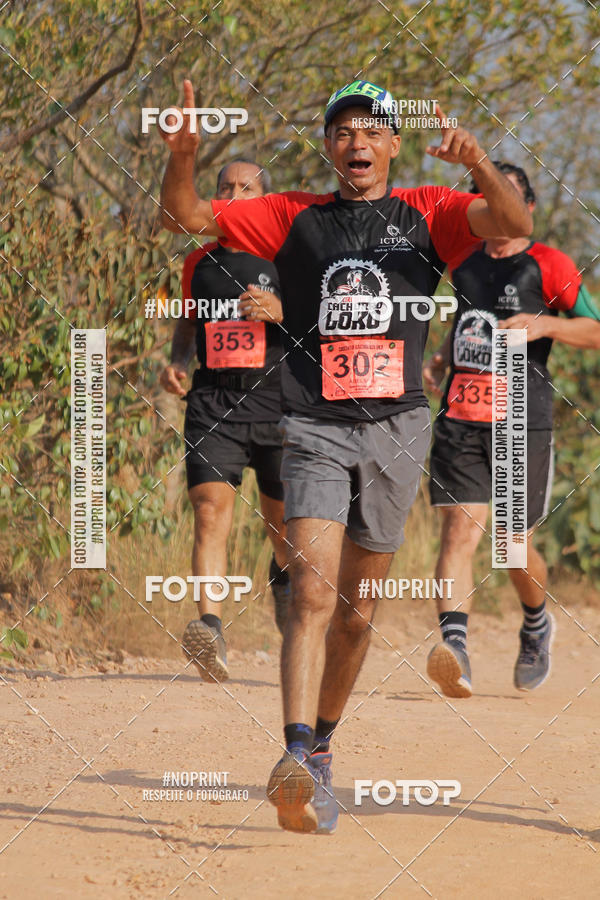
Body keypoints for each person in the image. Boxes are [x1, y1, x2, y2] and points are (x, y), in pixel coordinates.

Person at [159, 78, 533, 834]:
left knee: (358, 616)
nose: (355, 143)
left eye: (371, 131)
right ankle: (293, 754)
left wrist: (481, 164)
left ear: (392, 144)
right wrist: (187, 155)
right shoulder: (294, 215)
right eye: (341, 131)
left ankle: (324, 748)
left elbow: (514, 217)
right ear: (329, 146)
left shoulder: (427, 211)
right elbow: (187, 215)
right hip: (314, 425)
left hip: (397, 430)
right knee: (312, 593)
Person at [424, 161, 600, 699]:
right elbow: (468, 325)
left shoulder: (549, 263)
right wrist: (441, 357)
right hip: (461, 415)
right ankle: (454, 649)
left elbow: (595, 330)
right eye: (484, 195)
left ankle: (536, 619)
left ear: (526, 207)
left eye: (508, 196)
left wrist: (546, 324)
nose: (495, 205)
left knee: (511, 546)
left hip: (522, 421)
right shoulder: (462, 262)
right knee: (458, 532)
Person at [160, 159, 291, 684]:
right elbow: (188, 320)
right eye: (225, 188)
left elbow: (318, 320)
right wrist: (174, 363)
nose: (234, 194)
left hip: (279, 404)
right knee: (210, 512)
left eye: (247, 188)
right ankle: (210, 629)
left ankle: (283, 576)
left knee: (283, 527)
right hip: (214, 401)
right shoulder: (200, 262)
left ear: (264, 200)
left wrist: (281, 309)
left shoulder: (286, 256)